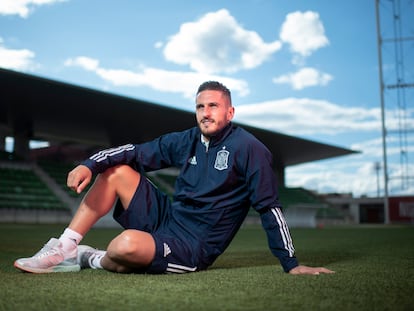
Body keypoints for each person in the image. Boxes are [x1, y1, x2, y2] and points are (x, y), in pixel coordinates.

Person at [14, 81, 333, 275]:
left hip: (195, 245)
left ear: (230, 112)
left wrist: (291, 263)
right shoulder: (187, 139)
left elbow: (269, 207)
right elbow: (136, 152)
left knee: (124, 247)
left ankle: (91, 258)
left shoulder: (250, 149)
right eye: (200, 106)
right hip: (167, 218)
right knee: (116, 172)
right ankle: (66, 248)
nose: (206, 112)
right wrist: (90, 164)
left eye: (214, 106)